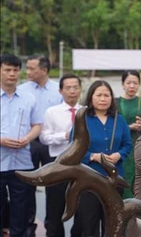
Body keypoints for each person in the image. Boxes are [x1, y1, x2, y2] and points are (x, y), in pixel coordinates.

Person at [71, 80, 132, 237]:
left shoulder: (119, 119)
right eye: (99, 95)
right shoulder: (82, 119)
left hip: (113, 179)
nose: (103, 98)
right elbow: (72, 149)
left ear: (112, 98)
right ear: (91, 97)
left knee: (112, 223)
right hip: (88, 180)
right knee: (89, 224)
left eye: (107, 95)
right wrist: (93, 156)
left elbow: (127, 144)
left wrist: (119, 155)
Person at [18, 54, 63, 236]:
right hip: (29, 143)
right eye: (27, 68)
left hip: (53, 144)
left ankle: (52, 228)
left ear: (44, 70)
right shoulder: (22, 90)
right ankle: (29, 228)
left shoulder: (58, 91)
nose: (27, 72)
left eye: (31, 68)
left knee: (54, 188)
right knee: (27, 186)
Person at [0, 54, 42, 237]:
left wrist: (28, 138)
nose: (12, 74)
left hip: (22, 162)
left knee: (21, 210)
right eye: (7, 70)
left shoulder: (29, 98)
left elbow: (37, 125)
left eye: (15, 70)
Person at [39, 74, 82, 237]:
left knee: (81, 209)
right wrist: (65, 136)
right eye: (68, 88)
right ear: (60, 91)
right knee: (55, 208)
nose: (72, 91)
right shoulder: (52, 112)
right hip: (58, 164)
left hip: (81, 165)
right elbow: (44, 137)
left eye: (75, 87)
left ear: (80, 89)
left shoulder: (86, 111)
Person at [115, 70, 141, 198]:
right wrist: (128, 127)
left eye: (135, 83)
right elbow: (111, 126)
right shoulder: (115, 102)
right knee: (123, 175)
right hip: (121, 146)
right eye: (129, 83)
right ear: (123, 84)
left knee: (139, 176)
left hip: (140, 144)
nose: (132, 86)